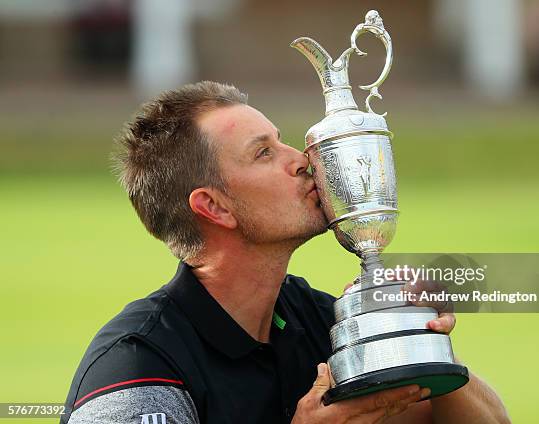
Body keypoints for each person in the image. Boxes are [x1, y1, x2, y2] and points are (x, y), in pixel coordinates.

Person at [61, 81, 510, 424]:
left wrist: (421, 348)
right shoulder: (138, 369)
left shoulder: (316, 322)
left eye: (281, 140)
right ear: (213, 207)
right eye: (263, 153)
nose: (301, 159)